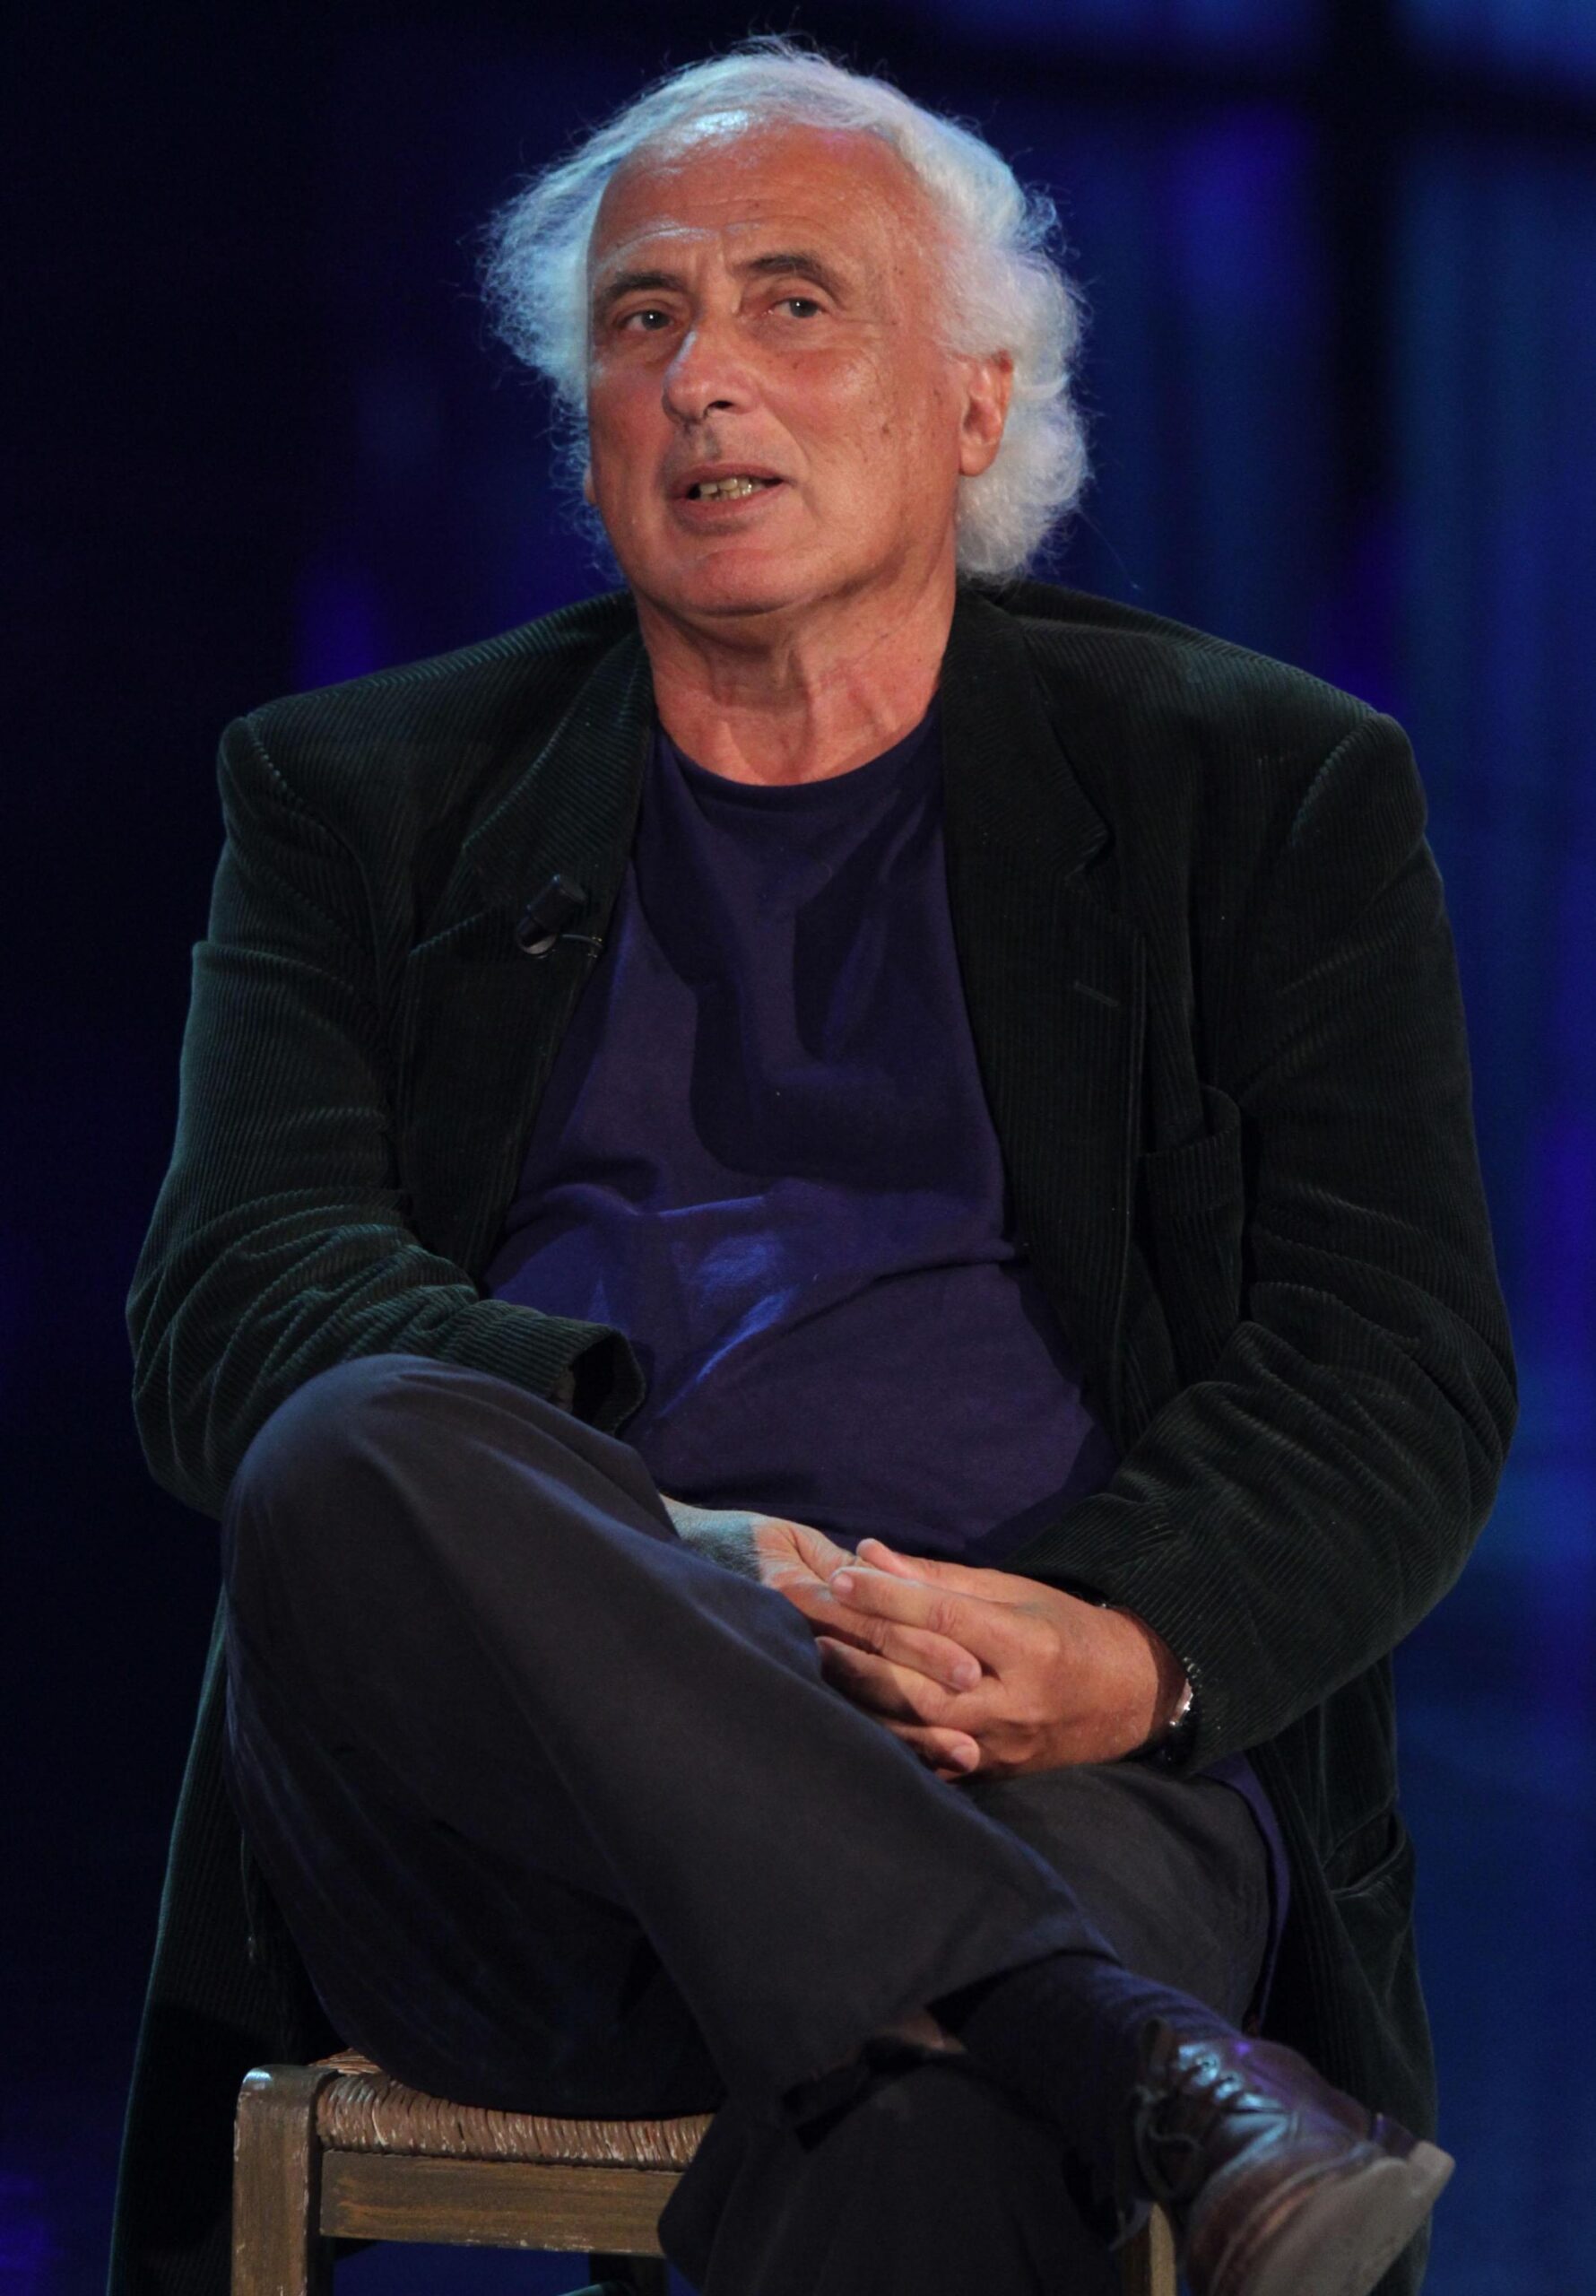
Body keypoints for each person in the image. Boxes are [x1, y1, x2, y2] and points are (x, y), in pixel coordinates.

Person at [109, 38, 1516, 2296]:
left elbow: (1389, 1357)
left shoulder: (1258, 791)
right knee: (348, 1441)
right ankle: (1116, 2046)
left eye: (791, 303)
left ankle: (1046, 2027)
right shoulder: (360, 793)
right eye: (642, 318)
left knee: (935, 2117)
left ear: (972, 403)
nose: (702, 378)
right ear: (588, 419)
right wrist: (651, 1535)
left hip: (1031, 1749)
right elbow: (230, 1299)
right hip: (519, 1812)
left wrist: (1120, 1645)